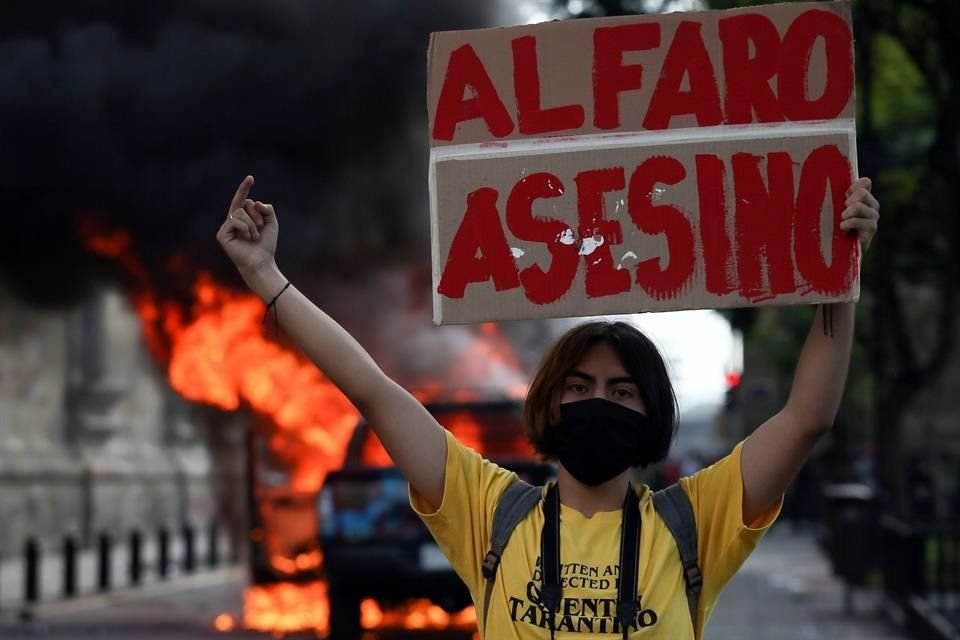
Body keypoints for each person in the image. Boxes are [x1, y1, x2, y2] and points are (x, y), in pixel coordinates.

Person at [217, 174, 880, 638]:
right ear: (547, 405)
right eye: (578, 387)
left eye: (623, 392)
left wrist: (839, 278)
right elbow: (372, 389)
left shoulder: (695, 523)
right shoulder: (489, 511)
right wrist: (265, 277)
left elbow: (805, 417)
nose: (598, 402)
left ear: (650, 416)